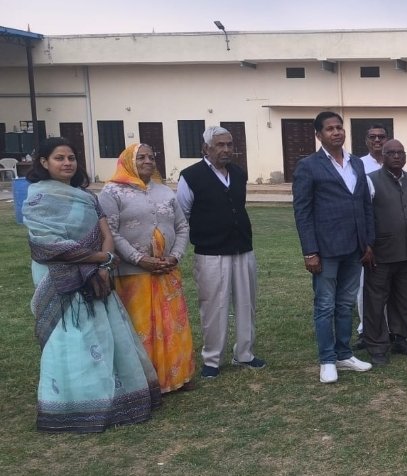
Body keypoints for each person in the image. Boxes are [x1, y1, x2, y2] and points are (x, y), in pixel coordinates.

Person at [25, 137, 161, 432]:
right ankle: (75, 404)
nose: (67, 163)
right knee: (72, 336)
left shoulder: (86, 196)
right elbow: (46, 245)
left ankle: (118, 399)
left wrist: (103, 264)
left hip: (97, 273)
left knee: (104, 332)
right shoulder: (38, 197)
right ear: (44, 162)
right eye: (59, 158)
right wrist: (100, 258)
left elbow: (105, 233)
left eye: (71, 158)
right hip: (58, 275)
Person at [99, 143, 195, 393]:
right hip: (132, 274)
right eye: (140, 157)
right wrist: (139, 258)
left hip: (167, 271)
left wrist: (174, 256)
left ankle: (177, 376)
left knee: (172, 325)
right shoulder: (112, 191)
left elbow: (182, 226)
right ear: (128, 161)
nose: (148, 161)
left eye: (151, 157)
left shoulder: (164, 191)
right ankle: (146, 383)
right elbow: (110, 232)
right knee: (141, 328)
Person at [292, 112, 375, 383]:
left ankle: (344, 354)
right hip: (325, 250)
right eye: (330, 129)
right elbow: (302, 212)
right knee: (325, 306)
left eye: (339, 127)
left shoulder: (355, 163)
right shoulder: (308, 166)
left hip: (354, 248)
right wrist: (310, 251)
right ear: (319, 135)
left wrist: (368, 242)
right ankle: (327, 359)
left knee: (346, 304)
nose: (336, 132)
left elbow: (365, 204)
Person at [177, 126, 265, 378]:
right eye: (220, 145)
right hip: (211, 253)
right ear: (206, 148)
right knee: (214, 307)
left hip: (242, 249)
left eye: (229, 144)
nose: (226, 149)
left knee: (246, 303)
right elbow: (182, 215)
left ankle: (244, 353)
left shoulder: (238, 173)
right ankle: (212, 359)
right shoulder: (191, 176)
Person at [363, 139, 407, 362]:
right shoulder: (371, 180)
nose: (397, 156)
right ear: (383, 156)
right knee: (375, 301)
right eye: (391, 153)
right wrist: (367, 246)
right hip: (381, 252)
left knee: (405, 298)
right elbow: (365, 216)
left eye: (401, 152)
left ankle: (401, 339)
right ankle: (377, 346)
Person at [354, 123, 389, 346]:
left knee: (389, 283)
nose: (377, 140)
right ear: (366, 141)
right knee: (364, 283)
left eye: (381, 137)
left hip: (390, 234)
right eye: (372, 137)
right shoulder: (358, 165)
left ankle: (388, 327)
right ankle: (365, 328)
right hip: (367, 233)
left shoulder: (394, 161)